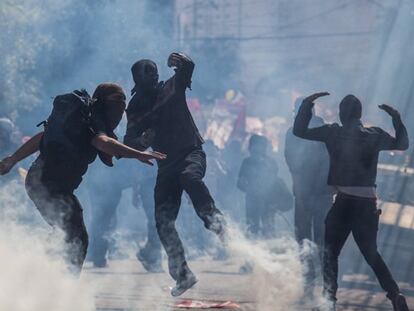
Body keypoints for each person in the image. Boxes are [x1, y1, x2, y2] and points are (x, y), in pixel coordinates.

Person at [0, 83, 166, 274]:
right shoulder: (93, 118)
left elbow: (43, 137)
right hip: (47, 184)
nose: (122, 109)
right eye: (119, 103)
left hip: (46, 184)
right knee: (76, 236)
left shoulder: (83, 118)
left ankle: (37, 270)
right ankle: (58, 281)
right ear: (106, 103)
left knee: (67, 234)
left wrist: (13, 160)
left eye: (123, 104)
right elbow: (103, 142)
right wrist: (138, 153)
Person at [294, 92, 410, 311]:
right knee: (371, 253)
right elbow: (402, 144)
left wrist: (307, 104)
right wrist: (395, 118)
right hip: (367, 204)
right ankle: (395, 294)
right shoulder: (374, 134)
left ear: (340, 114)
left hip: (344, 202)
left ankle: (329, 301)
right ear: (360, 114)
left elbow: (299, 131)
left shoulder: (333, 133)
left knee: (330, 253)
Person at [124, 53, 226, 296]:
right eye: (148, 73)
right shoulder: (136, 107)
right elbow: (129, 143)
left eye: (156, 72)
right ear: (138, 80)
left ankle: (217, 223)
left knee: (190, 178)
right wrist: (142, 141)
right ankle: (183, 275)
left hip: (191, 152)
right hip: (166, 165)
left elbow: (188, 67)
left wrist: (179, 59)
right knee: (162, 221)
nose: (154, 76)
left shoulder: (171, 87)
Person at [285, 98, 333, 299]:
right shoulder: (324, 129)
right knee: (323, 240)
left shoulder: (294, 132)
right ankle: (328, 288)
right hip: (321, 192)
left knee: (305, 241)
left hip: (307, 192)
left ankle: (309, 287)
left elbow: (290, 160)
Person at [238, 134, 293, 238]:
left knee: (268, 229)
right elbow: (240, 183)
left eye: (260, 145)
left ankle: (269, 250)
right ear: (251, 147)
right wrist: (249, 188)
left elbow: (273, 182)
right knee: (251, 229)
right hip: (252, 202)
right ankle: (251, 251)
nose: (258, 148)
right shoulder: (247, 162)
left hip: (268, 202)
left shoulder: (271, 162)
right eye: (255, 145)